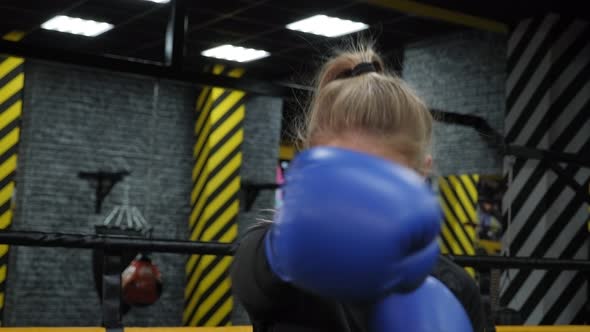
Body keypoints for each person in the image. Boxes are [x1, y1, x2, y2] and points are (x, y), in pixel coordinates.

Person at [231, 43, 485, 332]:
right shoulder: (283, 266)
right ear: (310, 166)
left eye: (382, 179)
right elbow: (251, 276)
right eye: (342, 178)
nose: (360, 202)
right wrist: (282, 252)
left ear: (421, 173)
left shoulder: (454, 287)